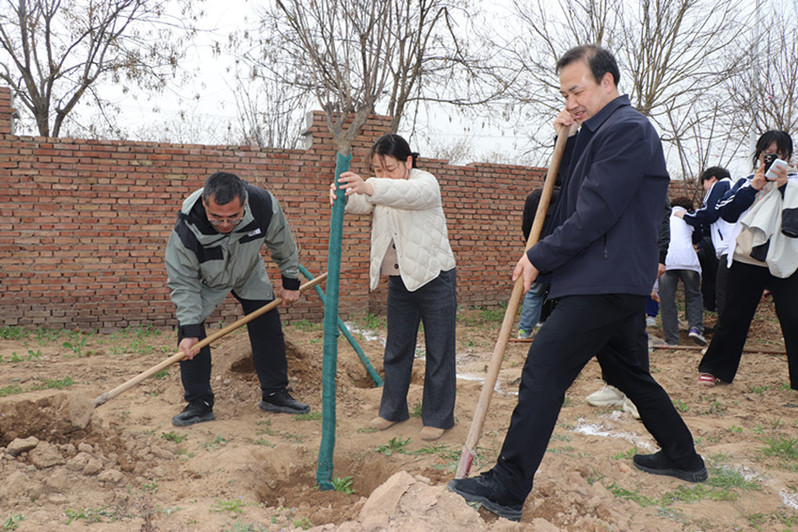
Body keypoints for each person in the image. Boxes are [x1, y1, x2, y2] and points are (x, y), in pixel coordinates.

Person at [448, 45, 706, 522]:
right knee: (628, 374)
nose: (571, 100)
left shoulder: (629, 130)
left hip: (603, 278)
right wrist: (564, 138)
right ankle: (682, 455)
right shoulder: (599, 132)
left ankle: (507, 486)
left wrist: (538, 257)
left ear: (608, 82)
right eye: (565, 92)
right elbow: (567, 189)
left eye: (578, 89)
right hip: (607, 278)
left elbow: (595, 212)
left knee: (544, 369)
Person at [331, 134, 457, 441]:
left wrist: (371, 184)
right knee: (397, 349)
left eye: (389, 167)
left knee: (439, 351)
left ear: (408, 162)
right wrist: (344, 195)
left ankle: (438, 416)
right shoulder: (382, 187)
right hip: (400, 281)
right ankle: (392, 410)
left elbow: (403, 194)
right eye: (377, 168)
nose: (383, 174)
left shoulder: (425, 183)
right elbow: (364, 201)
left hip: (434, 278)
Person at [165, 172, 310, 426]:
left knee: (268, 325)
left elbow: (282, 243)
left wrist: (290, 282)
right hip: (205, 281)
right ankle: (199, 403)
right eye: (216, 218)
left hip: (247, 271)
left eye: (233, 217)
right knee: (191, 332)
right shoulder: (188, 228)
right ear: (204, 205)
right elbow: (183, 282)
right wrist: (189, 331)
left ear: (244, 204)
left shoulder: (264, 206)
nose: (224, 224)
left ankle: (275, 393)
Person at [697, 130, 798, 388]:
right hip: (748, 259)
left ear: (788, 156)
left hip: (787, 262)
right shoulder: (745, 181)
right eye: (769, 153)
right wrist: (754, 187)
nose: (774, 158)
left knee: (794, 317)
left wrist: (786, 186)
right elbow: (725, 214)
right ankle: (714, 367)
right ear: (760, 155)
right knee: (733, 317)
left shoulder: (796, 183)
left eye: (780, 154)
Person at [677, 166, 734, 321]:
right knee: (728, 290)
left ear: (713, 179)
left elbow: (709, 213)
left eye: (704, 184)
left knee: (722, 290)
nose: (705, 189)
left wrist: (686, 216)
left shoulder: (720, 185)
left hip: (728, 248)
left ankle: (724, 330)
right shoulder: (733, 188)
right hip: (734, 247)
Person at [659, 196, 706, 346]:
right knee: (693, 295)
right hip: (688, 261)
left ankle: (672, 339)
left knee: (667, 300)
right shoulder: (689, 216)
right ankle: (695, 328)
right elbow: (698, 237)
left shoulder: (664, 217)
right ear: (690, 208)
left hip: (667, 260)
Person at [517, 186, 560, 339]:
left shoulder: (534, 197)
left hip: (540, 251)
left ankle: (525, 330)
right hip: (562, 250)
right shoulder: (568, 196)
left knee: (534, 292)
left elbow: (526, 226)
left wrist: (533, 247)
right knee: (563, 293)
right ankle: (555, 331)